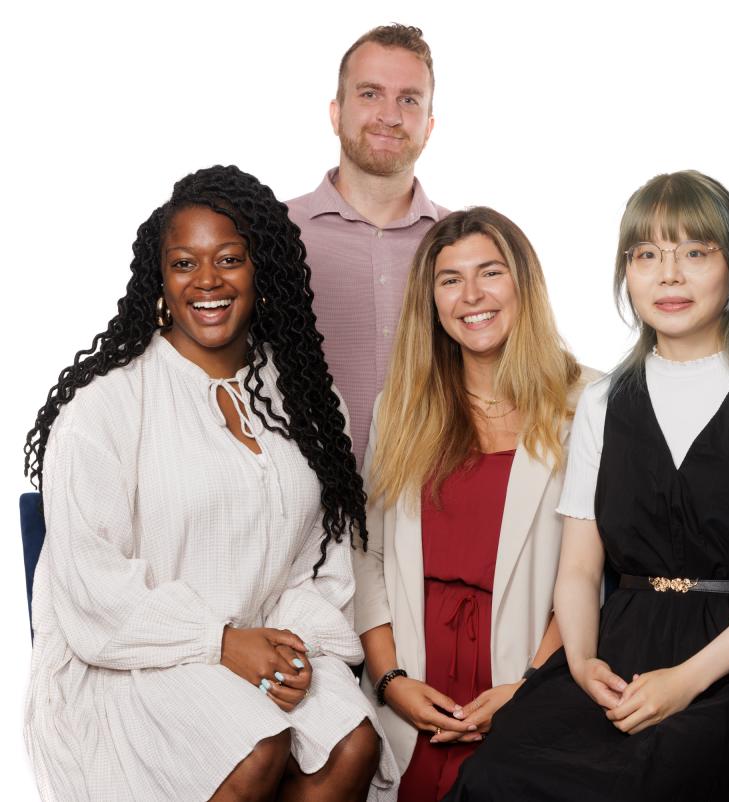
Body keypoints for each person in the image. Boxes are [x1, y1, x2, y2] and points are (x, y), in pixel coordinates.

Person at [445, 171, 729, 801]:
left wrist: (686, 680)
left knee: (660, 776)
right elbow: (579, 568)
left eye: (695, 252)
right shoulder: (604, 401)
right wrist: (579, 663)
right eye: (647, 255)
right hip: (618, 646)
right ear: (625, 272)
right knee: (498, 773)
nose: (669, 275)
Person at [22, 166, 399, 800]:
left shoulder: (306, 399)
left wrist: (290, 647)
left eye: (229, 259)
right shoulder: (106, 406)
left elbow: (325, 564)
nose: (207, 282)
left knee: (351, 743)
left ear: (262, 271)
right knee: (255, 748)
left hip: (271, 641)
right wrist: (218, 642)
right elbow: (90, 584)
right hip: (137, 658)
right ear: (160, 279)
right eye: (183, 263)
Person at [352, 207, 594, 800]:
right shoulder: (401, 407)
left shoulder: (590, 402)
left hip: (528, 681)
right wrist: (390, 681)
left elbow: (592, 573)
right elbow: (368, 557)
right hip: (413, 687)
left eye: (490, 273)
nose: (471, 296)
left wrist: (528, 687)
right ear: (431, 301)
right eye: (450, 279)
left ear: (523, 284)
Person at [288, 23, 448, 468]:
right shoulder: (271, 232)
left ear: (429, 126)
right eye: (370, 94)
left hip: (427, 509)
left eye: (409, 99)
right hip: (298, 517)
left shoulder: (465, 243)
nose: (390, 115)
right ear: (336, 113)